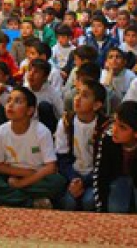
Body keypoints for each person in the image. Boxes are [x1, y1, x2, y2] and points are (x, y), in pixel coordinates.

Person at [0, 87, 66, 208]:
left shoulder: (41, 131)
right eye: (9, 100)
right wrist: (22, 173)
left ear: (30, 110)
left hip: (37, 176)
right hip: (11, 173)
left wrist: (21, 183)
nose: (10, 105)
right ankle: (30, 202)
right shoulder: (0, 132)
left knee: (58, 182)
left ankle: (6, 198)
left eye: (17, 101)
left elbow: (51, 167)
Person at [55, 79, 109, 211]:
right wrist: (74, 179)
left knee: (89, 201)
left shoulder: (106, 127)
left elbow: (107, 165)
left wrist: (85, 182)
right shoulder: (66, 122)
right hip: (72, 174)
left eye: (85, 96)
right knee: (69, 203)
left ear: (96, 105)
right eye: (78, 93)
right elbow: (62, 158)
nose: (77, 98)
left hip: (95, 177)